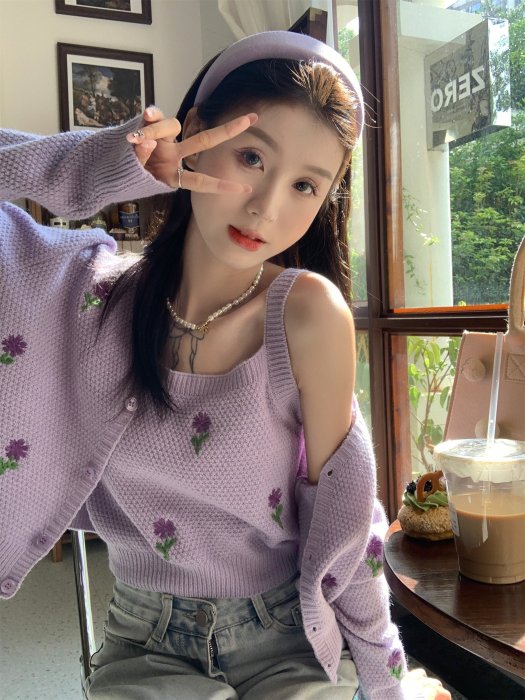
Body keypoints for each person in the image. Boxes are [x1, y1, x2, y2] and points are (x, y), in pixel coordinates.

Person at [0, 31, 451, 700]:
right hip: (143, 645)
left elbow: (345, 522)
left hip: (287, 638)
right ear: (194, 134)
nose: (267, 207)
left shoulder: (305, 315)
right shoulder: (87, 295)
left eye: (305, 185)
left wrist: (385, 687)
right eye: (250, 156)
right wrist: (108, 164)